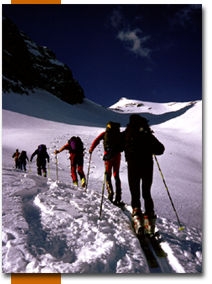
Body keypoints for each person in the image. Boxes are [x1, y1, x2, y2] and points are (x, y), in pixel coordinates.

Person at [123, 114, 165, 234]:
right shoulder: (147, 134)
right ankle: (149, 221)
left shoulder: (127, 133)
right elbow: (160, 149)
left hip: (132, 166)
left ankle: (137, 218)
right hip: (147, 166)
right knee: (146, 192)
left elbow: (118, 146)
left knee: (135, 192)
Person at [89, 121, 124, 206]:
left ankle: (110, 192)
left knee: (108, 174)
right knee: (116, 175)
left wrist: (91, 149)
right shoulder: (118, 134)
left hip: (107, 156)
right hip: (117, 156)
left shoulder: (105, 133)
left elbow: (96, 140)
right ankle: (118, 197)